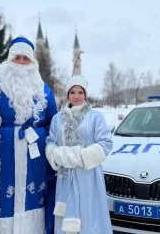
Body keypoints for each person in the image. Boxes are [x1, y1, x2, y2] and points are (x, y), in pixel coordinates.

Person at [0, 36, 58, 234]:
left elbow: (54, 122)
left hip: (36, 157)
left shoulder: (44, 90)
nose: (21, 63)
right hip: (4, 154)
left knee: (34, 195)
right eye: (17, 58)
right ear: (9, 60)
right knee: (4, 195)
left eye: (25, 59)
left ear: (32, 62)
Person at [45, 75, 113, 234]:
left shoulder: (96, 117)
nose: (76, 96)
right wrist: (56, 154)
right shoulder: (57, 119)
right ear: (67, 94)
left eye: (80, 92)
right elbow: (51, 142)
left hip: (89, 176)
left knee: (89, 214)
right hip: (65, 176)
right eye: (73, 92)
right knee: (67, 214)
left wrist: (79, 156)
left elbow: (105, 143)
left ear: (85, 95)